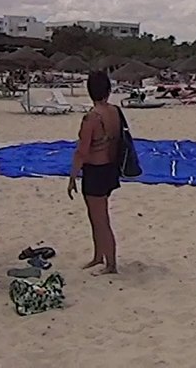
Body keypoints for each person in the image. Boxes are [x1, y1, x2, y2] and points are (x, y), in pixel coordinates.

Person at [68, 70, 121, 274]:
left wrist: (73, 175)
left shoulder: (91, 118)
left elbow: (82, 150)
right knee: (96, 217)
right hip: (109, 168)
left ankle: (111, 264)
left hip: (95, 171)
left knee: (100, 219)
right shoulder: (114, 111)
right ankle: (99, 256)